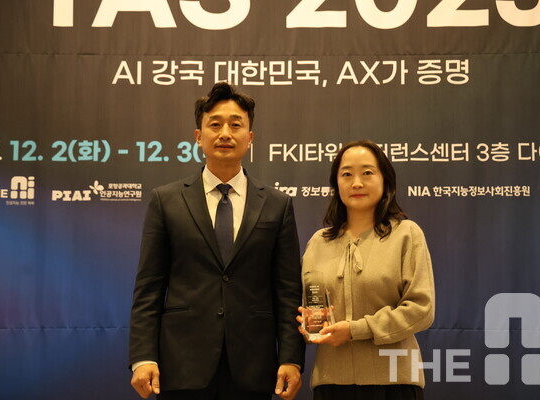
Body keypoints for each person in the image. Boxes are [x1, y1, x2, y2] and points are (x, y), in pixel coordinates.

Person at [129, 82, 305, 400]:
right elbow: (149, 288)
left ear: (250, 138)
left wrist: (291, 358)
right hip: (182, 365)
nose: (225, 133)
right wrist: (143, 357)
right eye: (215, 124)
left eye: (236, 125)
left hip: (253, 367)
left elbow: (288, 291)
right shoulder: (166, 200)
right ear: (199, 136)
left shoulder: (277, 205)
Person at [297, 140, 435, 400]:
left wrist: (355, 330)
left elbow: (421, 309)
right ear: (336, 183)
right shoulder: (319, 242)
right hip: (331, 383)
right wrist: (309, 324)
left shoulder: (406, 234)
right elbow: (308, 306)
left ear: (385, 180)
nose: (357, 183)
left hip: (394, 383)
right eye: (347, 174)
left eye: (367, 173)